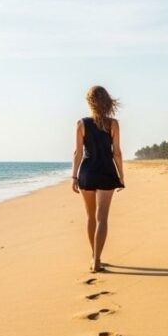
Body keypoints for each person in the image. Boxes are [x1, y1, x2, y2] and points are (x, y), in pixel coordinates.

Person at [71, 85, 125, 273]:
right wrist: (121, 176)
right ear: (107, 101)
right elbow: (116, 153)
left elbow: (78, 153)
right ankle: (97, 261)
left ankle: (94, 256)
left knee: (90, 217)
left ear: (90, 102)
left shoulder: (82, 124)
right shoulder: (113, 124)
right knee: (102, 218)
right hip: (106, 172)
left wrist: (74, 176)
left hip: (87, 172)